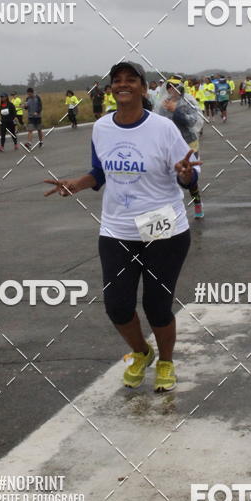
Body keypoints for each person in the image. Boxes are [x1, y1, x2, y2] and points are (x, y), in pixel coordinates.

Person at [44, 61, 200, 393]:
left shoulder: (162, 128)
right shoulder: (101, 127)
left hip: (161, 225)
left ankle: (166, 362)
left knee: (157, 305)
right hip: (117, 228)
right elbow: (99, 172)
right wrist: (78, 183)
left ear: (144, 89)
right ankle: (142, 353)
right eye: (117, 81)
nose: (123, 85)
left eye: (131, 80)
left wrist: (186, 174)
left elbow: (189, 175)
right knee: (117, 305)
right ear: (111, 89)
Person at [155, 80, 205, 218]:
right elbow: (158, 123)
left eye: (174, 87)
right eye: (169, 87)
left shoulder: (188, 101)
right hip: (169, 144)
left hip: (188, 144)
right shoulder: (163, 104)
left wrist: (176, 110)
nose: (171, 90)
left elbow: (193, 121)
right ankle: (172, 211)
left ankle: (197, 203)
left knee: (189, 175)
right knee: (168, 176)